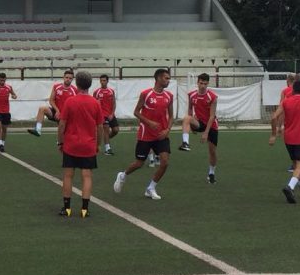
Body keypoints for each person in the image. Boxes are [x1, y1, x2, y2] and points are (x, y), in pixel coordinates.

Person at [113, 68, 172, 200]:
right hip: (146, 134)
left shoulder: (169, 96)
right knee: (139, 163)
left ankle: (150, 188)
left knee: (165, 162)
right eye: (166, 78)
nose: (168, 80)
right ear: (158, 79)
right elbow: (136, 112)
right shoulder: (146, 94)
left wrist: (167, 129)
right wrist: (149, 122)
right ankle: (123, 175)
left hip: (161, 135)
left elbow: (172, 116)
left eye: (169, 78)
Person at [58, 71, 104, 218]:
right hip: (88, 145)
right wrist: (98, 144)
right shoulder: (95, 103)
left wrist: (60, 142)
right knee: (87, 176)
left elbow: (62, 125)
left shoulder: (70, 101)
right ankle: (84, 209)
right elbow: (100, 127)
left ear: (76, 84)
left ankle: (67, 208)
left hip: (71, 145)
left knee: (68, 176)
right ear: (90, 84)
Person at [269, 78, 300, 204]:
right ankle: (290, 187)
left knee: (296, 165)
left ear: (293, 89)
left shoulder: (286, 101)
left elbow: (274, 117)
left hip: (288, 137)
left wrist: (274, 134)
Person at [180, 73, 219, 184]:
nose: (202, 86)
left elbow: (212, 116)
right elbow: (189, 110)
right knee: (186, 118)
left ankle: (211, 173)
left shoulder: (212, 97)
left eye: (205, 84)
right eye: (201, 83)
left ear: (208, 84)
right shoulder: (191, 95)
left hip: (212, 126)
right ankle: (185, 143)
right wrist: (190, 126)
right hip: (199, 122)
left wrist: (206, 133)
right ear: (197, 82)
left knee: (212, 151)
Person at [28, 69, 77, 137]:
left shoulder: (75, 90)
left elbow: (75, 106)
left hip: (66, 116)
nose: (68, 79)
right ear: (63, 77)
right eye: (66, 77)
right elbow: (51, 100)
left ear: (72, 79)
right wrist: (57, 111)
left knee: (64, 136)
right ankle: (38, 130)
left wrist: (64, 114)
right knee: (42, 109)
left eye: (70, 78)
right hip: (56, 112)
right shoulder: (56, 87)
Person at [92, 74, 118, 156]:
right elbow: (93, 104)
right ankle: (107, 149)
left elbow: (114, 103)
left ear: (107, 81)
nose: (102, 82)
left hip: (110, 114)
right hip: (102, 115)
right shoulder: (96, 92)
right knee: (106, 128)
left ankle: (106, 139)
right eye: (101, 81)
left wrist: (112, 114)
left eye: (104, 80)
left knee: (116, 130)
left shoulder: (111, 91)